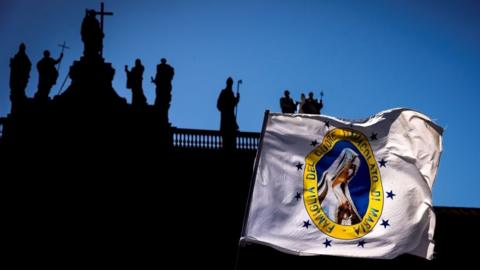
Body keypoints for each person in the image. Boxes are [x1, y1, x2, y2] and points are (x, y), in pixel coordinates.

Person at [217, 77, 239, 150]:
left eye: (231, 84)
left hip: (231, 117)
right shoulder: (224, 92)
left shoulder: (231, 93)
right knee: (226, 133)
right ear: (227, 83)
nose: (231, 85)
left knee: (232, 132)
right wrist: (225, 108)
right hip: (226, 117)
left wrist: (237, 99)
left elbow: (233, 103)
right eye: (230, 83)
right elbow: (218, 105)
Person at [9, 43, 31, 113]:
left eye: (23, 48)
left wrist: (25, 70)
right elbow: (14, 65)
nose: (22, 49)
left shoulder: (25, 57)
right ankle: (18, 97)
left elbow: (29, 64)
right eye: (21, 47)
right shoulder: (17, 56)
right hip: (17, 75)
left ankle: (20, 96)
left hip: (22, 75)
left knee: (20, 87)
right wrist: (12, 63)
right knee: (16, 88)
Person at [152, 58, 174, 124]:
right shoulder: (161, 69)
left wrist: (155, 81)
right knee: (161, 99)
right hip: (162, 86)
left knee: (162, 100)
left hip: (164, 86)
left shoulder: (165, 68)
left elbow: (171, 74)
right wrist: (155, 81)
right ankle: (162, 117)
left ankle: (162, 117)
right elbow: (157, 77)